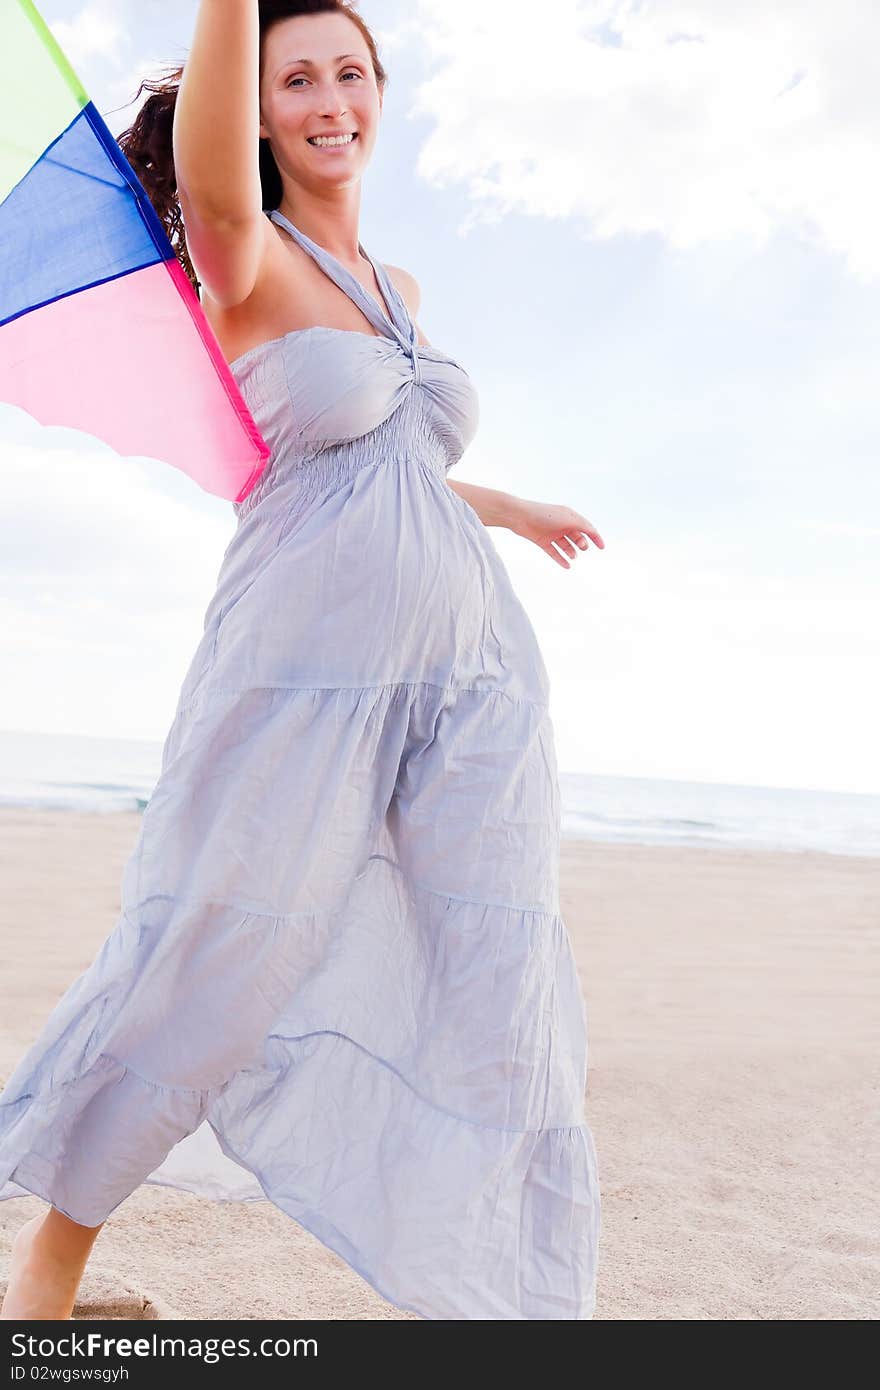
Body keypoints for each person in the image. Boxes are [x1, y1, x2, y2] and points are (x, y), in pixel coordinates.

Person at [0, 0, 604, 1321]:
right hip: (300, 666)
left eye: (352, 70)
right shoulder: (241, 253)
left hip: (470, 673)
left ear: (381, 93)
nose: (332, 95)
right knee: (224, 962)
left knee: (492, 971)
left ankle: (500, 1299)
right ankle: (45, 1282)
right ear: (257, 111)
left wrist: (506, 507)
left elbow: (387, 456)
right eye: (297, 77)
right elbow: (318, 445)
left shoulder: (400, 288)